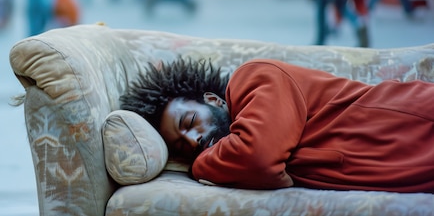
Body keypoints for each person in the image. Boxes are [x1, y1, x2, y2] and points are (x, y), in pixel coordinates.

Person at [120, 57, 434, 193]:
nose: (191, 141)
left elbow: (257, 156)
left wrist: (198, 168)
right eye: (180, 147)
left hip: (416, 121)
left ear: (214, 100)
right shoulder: (229, 150)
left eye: (189, 122)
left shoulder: (253, 78)